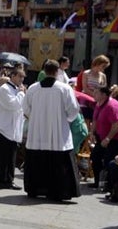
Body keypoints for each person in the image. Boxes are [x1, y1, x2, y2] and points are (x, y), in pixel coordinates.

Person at [22, 60, 81, 201]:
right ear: (57, 71)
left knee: (37, 163)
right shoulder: (65, 89)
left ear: (45, 70)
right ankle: (60, 192)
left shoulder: (32, 88)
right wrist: (63, 121)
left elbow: (25, 109)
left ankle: (35, 189)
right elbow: (73, 110)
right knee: (59, 164)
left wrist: (36, 119)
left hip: (38, 133)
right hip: (58, 134)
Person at [0, 66, 26, 189]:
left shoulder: (15, 90)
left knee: (10, 156)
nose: (21, 79)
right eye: (19, 76)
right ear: (12, 76)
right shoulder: (4, 89)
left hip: (12, 128)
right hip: (3, 128)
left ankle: (8, 179)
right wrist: (21, 94)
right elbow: (12, 105)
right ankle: (2, 180)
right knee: (3, 156)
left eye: (23, 77)